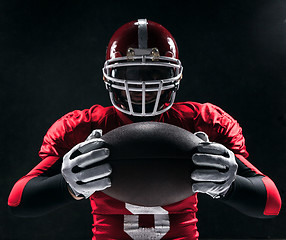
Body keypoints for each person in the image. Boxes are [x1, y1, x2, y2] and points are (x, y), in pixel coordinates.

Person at [8, 19, 281, 240]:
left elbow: (271, 202)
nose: (141, 84)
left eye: (153, 74)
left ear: (174, 77)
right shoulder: (85, 127)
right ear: (109, 77)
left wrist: (228, 185)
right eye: (130, 74)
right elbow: (19, 201)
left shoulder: (201, 122)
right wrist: (67, 185)